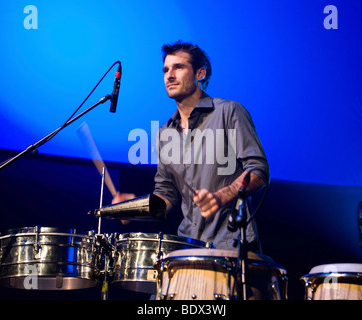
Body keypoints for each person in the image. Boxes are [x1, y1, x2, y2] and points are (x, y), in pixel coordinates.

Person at [113, 41, 269, 251]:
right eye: (166, 70)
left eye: (178, 67)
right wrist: (133, 208)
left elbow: (258, 170)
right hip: (188, 248)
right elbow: (166, 195)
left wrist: (219, 196)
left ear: (200, 73)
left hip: (231, 246)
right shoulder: (164, 134)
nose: (169, 75)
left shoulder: (228, 112)